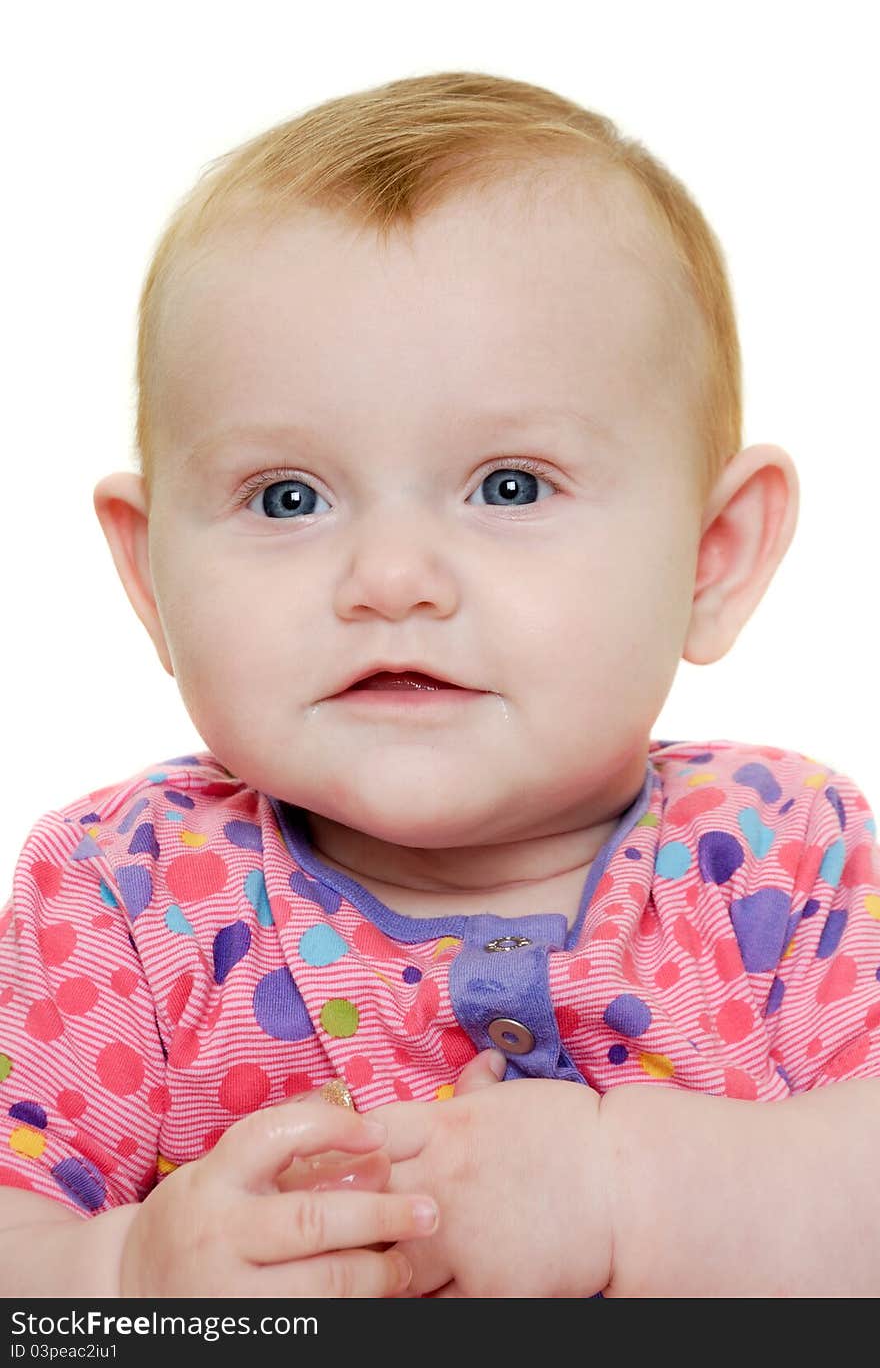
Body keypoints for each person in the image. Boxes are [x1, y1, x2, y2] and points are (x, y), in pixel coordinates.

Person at [1, 69, 879, 1299]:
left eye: (509, 485)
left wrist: (622, 1194)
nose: (392, 577)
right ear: (152, 577)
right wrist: (123, 1273)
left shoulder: (790, 860)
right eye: (286, 497)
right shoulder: (120, 898)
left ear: (710, 557)